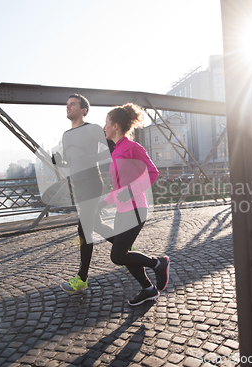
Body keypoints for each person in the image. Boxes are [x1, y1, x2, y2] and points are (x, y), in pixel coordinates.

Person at [101, 103, 170, 306]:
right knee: (126, 253)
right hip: (122, 209)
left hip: (136, 208)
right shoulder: (116, 151)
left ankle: (158, 263)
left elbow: (153, 172)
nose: (103, 127)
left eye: (106, 123)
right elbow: (118, 187)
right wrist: (105, 203)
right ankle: (148, 289)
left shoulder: (132, 147)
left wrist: (132, 191)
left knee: (118, 255)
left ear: (115, 125)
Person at [57, 94, 115, 294]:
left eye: (72, 104)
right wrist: (60, 162)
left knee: (84, 230)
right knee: (96, 224)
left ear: (84, 110)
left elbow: (112, 146)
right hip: (78, 186)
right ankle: (126, 248)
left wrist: (93, 157)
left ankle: (82, 278)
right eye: (67, 104)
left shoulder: (92, 129)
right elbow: (72, 161)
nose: (68, 106)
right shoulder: (65, 135)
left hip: (92, 182)